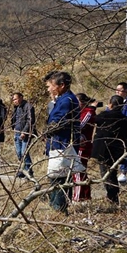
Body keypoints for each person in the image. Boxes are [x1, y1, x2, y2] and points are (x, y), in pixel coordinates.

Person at [44, 71, 80, 214]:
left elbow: (59, 122)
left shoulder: (66, 100)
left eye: (51, 86)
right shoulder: (63, 99)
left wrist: (47, 130)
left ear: (61, 85)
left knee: (59, 178)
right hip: (59, 143)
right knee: (59, 178)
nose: (49, 89)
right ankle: (58, 208)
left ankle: (59, 210)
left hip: (62, 144)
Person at [91, 95, 127, 205]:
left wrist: (92, 107)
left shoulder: (103, 116)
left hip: (103, 150)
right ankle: (113, 196)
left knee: (106, 174)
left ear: (110, 104)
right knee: (112, 173)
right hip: (117, 150)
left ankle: (112, 196)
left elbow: (91, 119)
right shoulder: (125, 119)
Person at [72, 93, 97, 202]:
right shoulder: (79, 112)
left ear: (82, 102)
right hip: (78, 145)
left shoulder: (88, 112)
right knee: (81, 173)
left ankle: (77, 198)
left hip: (83, 147)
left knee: (77, 172)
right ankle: (85, 196)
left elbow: (80, 125)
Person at [10, 92, 36, 178]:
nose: (14, 101)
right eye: (13, 99)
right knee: (19, 153)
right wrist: (13, 128)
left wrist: (24, 131)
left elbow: (30, 120)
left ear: (21, 97)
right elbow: (14, 119)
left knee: (24, 152)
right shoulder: (16, 108)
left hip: (25, 133)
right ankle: (23, 170)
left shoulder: (28, 107)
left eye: (16, 99)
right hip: (17, 132)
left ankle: (29, 171)